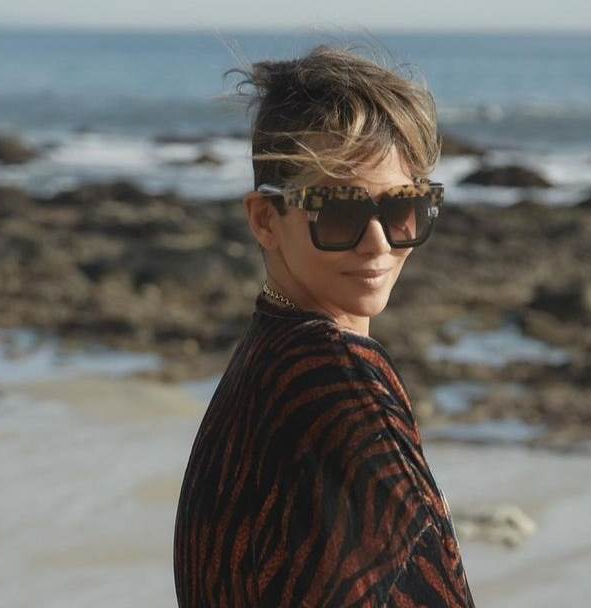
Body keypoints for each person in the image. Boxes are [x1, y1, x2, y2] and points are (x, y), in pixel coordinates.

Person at [174, 42, 475, 608]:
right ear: (265, 218)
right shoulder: (340, 390)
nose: (379, 243)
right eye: (338, 210)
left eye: (402, 207)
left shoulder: (266, 360)